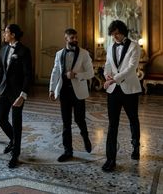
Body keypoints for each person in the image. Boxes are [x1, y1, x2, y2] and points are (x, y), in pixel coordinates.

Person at [49, 28, 94, 162]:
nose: (75, 40)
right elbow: (55, 71)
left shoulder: (84, 54)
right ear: (66, 39)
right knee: (66, 122)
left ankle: (85, 138)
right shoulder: (59, 54)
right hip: (64, 91)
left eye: (76, 37)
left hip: (78, 92)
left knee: (80, 120)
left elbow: (90, 73)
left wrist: (77, 75)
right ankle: (68, 151)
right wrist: (52, 89)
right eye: (72, 38)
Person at [102, 20, 142, 172]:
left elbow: (132, 68)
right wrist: (106, 75)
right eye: (112, 35)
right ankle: (110, 159)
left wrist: (114, 79)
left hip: (129, 90)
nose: (114, 37)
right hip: (113, 91)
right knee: (112, 125)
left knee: (133, 119)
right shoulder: (111, 46)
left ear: (123, 32)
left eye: (116, 34)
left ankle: (136, 146)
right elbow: (107, 64)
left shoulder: (134, 46)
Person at [0, 24, 32, 169]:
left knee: (16, 123)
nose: (4, 34)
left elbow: (28, 75)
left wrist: (23, 95)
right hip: (3, 90)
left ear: (13, 34)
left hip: (17, 93)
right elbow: (1, 71)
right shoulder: (4, 49)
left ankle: (15, 154)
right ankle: (13, 140)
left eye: (6, 32)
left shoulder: (24, 51)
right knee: (1, 119)